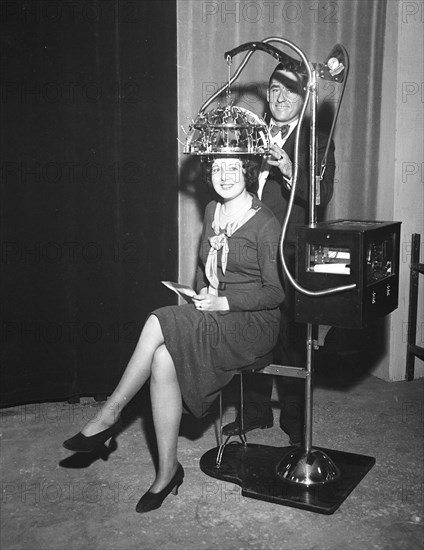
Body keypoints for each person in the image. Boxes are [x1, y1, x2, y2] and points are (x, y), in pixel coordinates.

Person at [62, 155, 284, 513]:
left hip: (253, 324)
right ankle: (168, 473)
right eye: (216, 169)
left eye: (233, 168)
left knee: (157, 320)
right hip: (216, 314)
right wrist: (200, 297)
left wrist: (223, 302)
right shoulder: (213, 210)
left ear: (248, 171)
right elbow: (204, 269)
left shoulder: (265, 223)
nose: (224, 176)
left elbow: (276, 293)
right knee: (163, 359)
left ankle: (109, 415)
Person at [222, 64, 336, 445]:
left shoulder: (316, 138)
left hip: (289, 253)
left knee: (290, 340)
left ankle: (295, 424)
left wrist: (289, 167)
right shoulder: (254, 133)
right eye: (274, 88)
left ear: (305, 98)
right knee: (252, 334)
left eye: (290, 89)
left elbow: (321, 197)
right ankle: (254, 414)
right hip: (250, 250)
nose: (281, 96)